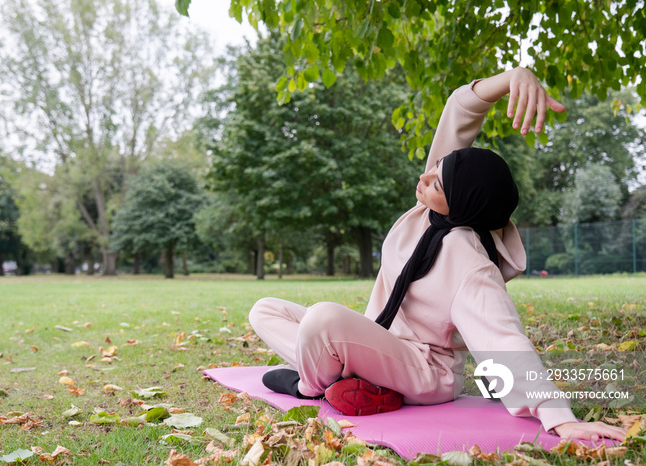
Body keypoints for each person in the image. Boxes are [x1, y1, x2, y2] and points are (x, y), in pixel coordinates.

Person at [248, 67, 627, 442]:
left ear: (460, 204)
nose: (425, 177)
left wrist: (558, 416)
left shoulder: (469, 261)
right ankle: (354, 382)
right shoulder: (431, 207)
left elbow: (503, 339)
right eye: (435, 170)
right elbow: (459, 112)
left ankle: (309, 386)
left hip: (424, 371)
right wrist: (514, 76)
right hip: (379, 340)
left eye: (437, 183)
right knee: (265, 309)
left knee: (322, 319)